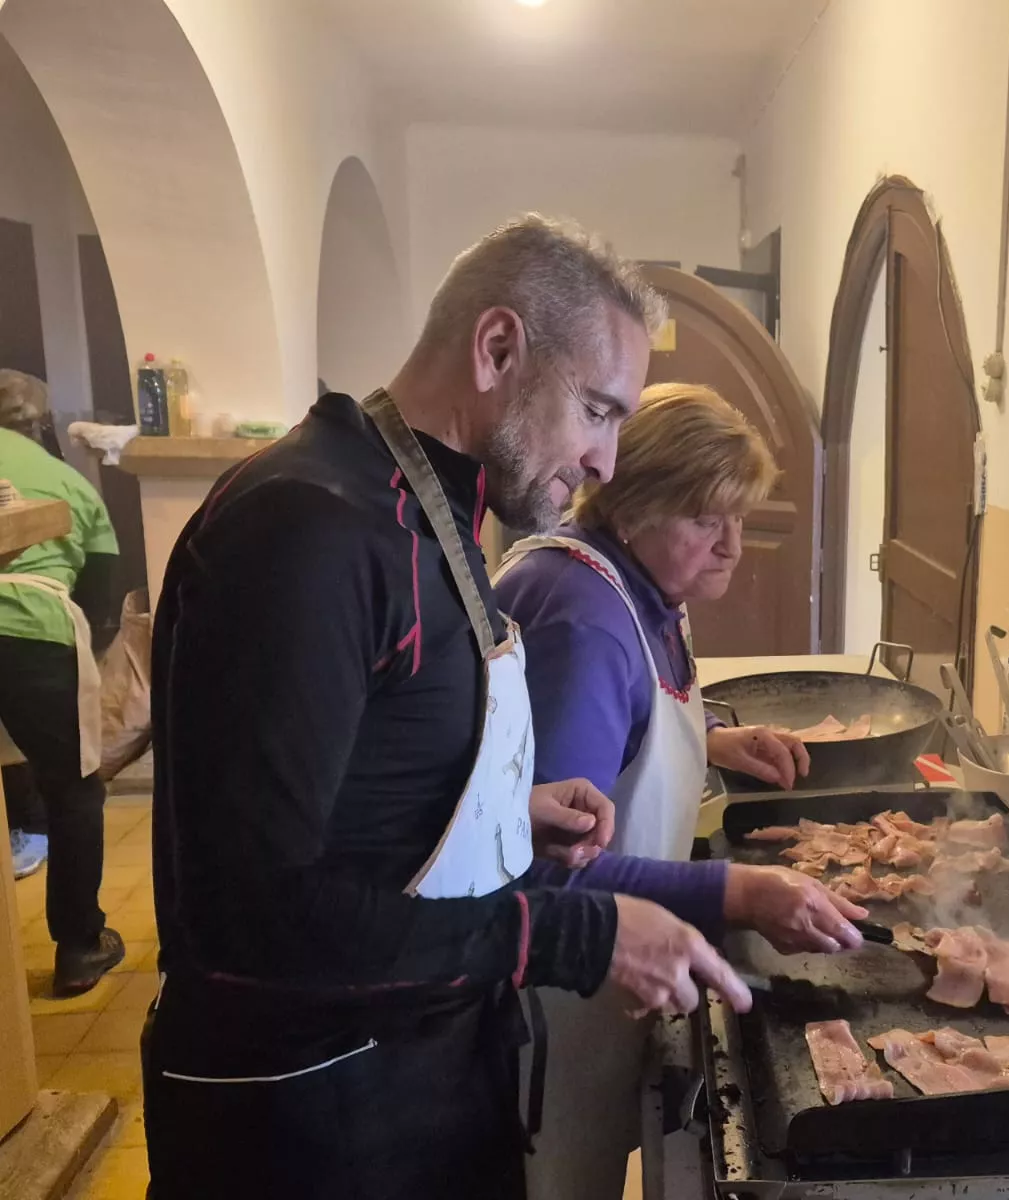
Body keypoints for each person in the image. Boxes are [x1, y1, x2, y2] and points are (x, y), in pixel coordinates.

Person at [141, 214, 752, 1200]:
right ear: (497, 347)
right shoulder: (306, 527)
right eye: (597, 411)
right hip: (310, 1124)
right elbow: (251, 916)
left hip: (427, 1081)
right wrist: (576, 934)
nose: (606, 461)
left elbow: (369, 791)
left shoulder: (434, 513)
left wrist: (505, 819)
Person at [494, 382, 868, 1198]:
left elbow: (624, 724)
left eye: (739, 516)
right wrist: (741, 892)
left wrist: (715, 741)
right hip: (552, 999)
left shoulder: (642, 583)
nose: (732, 545)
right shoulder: (584, 617)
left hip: (604, 981)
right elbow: (550, 871)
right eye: (706, 519)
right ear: (633, 507)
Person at [0, 370, 123, 993]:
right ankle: (79, 946)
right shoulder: (68, 481)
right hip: (36, 632)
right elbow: (100, 589)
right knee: (73, 792)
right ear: (38, 422)